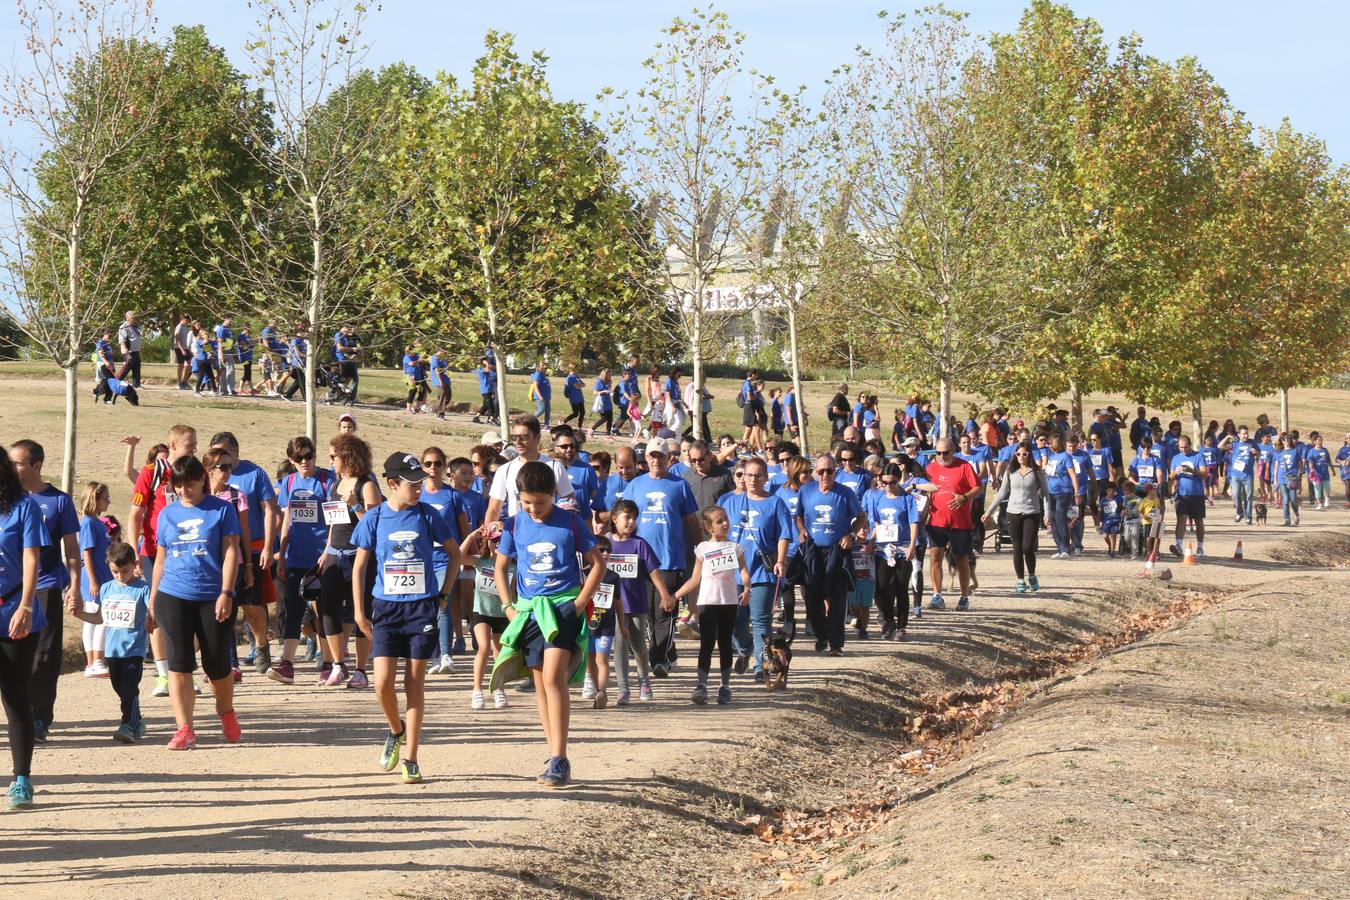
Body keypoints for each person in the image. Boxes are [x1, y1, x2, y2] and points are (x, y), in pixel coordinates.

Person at [491, 461, 604, 788]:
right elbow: (501, 568)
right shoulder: (513, 526)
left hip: (563, 609)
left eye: (540, 502)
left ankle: (560, 757)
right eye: (527, 502)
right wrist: (508, 607)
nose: (533, 509)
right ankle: (553, 752)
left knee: (554, 677)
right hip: (528, 613)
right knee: (541, 685)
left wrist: (579, 604)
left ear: (554, 494)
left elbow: (598, 564)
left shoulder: (570, 523)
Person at [352, 452, 460, 785]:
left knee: (414, 684)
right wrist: (358, 612)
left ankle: (411, 757)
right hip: (385, 608)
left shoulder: (428, 515)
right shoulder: (374, 518)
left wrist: (442, 595)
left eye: (421, 482)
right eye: (412, 483)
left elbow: (455, 554)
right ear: (392, 484)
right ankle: (395, 730)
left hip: (421, 608)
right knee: (383, 682)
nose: (419, 488)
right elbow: (359, 568)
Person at [152, 455, 243, 750]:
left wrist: (226, 593)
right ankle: (184, 728)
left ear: (202, 478)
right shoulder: (167, 514)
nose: (183, 491)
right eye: (177, 486)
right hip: (173, 594)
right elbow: (160, 558)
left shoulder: (222, 510)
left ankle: (225, 710)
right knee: (178, 663)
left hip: (212, 595)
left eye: (189, 484)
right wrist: (153, 599)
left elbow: (231, 552)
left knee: (217, 664)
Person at [8, 441, 78, 744]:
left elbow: (72, 550)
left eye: (18, 463)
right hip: (10, 589)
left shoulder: (58, 501)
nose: (11, 468)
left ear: (36, 466)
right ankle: (18, 713)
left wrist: (75, 584)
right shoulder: (6, 501)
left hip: (46, 584)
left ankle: (39, 717)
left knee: (45, 654)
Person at [625, 438, 700, 677]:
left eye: (661, 456)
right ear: (645, 459)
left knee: (664, 612)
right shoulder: (636, 485)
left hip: (669, 559)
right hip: (640, 560)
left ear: (670, 459)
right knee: (647, 613)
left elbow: (691, 521)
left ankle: (658, 660)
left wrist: (701, 547)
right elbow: (623, 515)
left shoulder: (679, 486)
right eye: (652, 456)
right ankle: (668, 652)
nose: (656, 460)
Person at [67, 540, 152, 743]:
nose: (120, 576)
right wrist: (80, 614)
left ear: (134, 565)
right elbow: (99, 618)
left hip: (134, 649)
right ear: (109, 567)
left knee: (129, 688)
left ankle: (127, 725)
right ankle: (137, 720)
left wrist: (152, 620)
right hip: (112, 650)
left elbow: (153, 613)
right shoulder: (106, 589)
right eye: (115, 572)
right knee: (119, 688)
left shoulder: (143, 589)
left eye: (125, 571)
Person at [316, 434, 383, 688]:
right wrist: (327, 548)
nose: (331, 461)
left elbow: (375, 523)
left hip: (361, 554)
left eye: (334, 456)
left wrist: (356, 505)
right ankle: (337, 664)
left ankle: (361, 670)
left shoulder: (367, 485)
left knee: (362, 611)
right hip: (336, 552)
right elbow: (334, 520)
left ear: (347, 456)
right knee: (328, 609)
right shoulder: (335, 484)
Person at [0, 448, 44, 809]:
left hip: (15, 612)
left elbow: (32, 557)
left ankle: (21, 779)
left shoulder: (24, 507)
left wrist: (27, 605)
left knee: (15, 698)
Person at [719, 457, 790, 676]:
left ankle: (761, 666)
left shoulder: (775, 503)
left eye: (758, 476)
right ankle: (746, 648)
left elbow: (784, 535)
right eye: (748, 475)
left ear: (766, 478)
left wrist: (780, 560)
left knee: (760, 620)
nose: (752, 480)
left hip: (761, 570)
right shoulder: (728, 501)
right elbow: (717, 532)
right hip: (732, 570)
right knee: (733, 620)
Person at [269, 436, 331, 685]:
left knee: (323, 611)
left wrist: (328, 551)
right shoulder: (289, 482)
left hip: (321, 557)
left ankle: (329, 662)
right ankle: (287, 664)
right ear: (291, 461)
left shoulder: (328, 480)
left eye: (309, 455)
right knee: (293, 609)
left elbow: (336, 521)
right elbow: (286, 520)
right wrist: (282, 553)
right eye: (299, 458)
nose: (305, 461)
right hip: (295, 555)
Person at [673, 506, 750, 705]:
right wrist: (675, 596)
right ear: (708, 527)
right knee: (706, 644)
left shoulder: (735, 547)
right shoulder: (703, 549)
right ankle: (701, 686)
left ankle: (725, 687)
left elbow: (743, 572)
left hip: (729, 602)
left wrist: (747, 588)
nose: (725, 523)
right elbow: (694, 579)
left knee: (725, 644)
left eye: (725, 519)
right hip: (707, 602)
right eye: (719, 521)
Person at [795, 453, 866, 655]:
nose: (825, 474)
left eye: (830, 471)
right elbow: (798, 515)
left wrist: (850, 534)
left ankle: (835, 644)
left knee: (837, 597)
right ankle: (821, 635)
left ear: (836, 472)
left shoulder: (845, 493)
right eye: (821, 471)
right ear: (815, 473)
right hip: (813, 549)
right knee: (812, 594)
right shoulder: (806, 490)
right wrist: (801, 530)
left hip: (837, 549)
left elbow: (860, 517)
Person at [419, 447, 469, 677]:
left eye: (438, 463)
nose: (433, 468)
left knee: (443, 602)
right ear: (422, 466)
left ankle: (446, 653)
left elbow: (464, 528)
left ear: (444, 467)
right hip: (421, 560)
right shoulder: (416, 493)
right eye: (428, 464)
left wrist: (470, 555)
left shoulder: (452, 495)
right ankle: (433, 654)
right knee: (426, 607)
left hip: (446, 559)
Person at [864, 462, 920, 639]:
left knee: (900, 587)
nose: (889, 486)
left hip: (902, 549)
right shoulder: (877, 498)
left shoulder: (907, 498)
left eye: (893, 482)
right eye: (885, 482)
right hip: (883, 549)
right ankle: (889, 620)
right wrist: (871, 541)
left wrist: (912, 546)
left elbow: (913, 523)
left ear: (899, 480)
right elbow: (876, 524)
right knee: (880, 588)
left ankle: (901, 626)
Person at [923, 438, 980, 610]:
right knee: (935, 560)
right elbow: (923, 487)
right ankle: (937, 596)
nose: (941, 456)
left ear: (953, 450)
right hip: (936, 521)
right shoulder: (931, 467)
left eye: (945, 453)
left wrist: (964, 497)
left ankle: (964, 597)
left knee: (962, 559)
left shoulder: (964, 466)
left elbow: (978, 487)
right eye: (938, 453)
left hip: (960, 523)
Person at [984, 442, 1048, 593]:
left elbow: (1045, 494)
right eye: (1018, 454)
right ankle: (1020, 579)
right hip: (1013, 513)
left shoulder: (1037, 472)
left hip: (1031, 512)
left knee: (1028, 547)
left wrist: (1048, 514)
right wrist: (989, 511)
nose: (1021, 457)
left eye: (1024, 454)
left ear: (1029, 455)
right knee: (1017, 548)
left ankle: (1031, 575)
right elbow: (1002, 493)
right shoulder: (1010, 471)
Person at [484, 416, 575, 523]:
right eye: (514, 437)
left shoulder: (555, 467)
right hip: (517, 533)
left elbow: (570, 506)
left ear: (537, 438)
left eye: (523, 437)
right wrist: (489, 536)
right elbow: (493, 511)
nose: (518, 442)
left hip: (549, 532)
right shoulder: (505, 470)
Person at [461, 523, 510, 710]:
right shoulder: (481, 562)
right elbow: (458, 557)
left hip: (502, 613)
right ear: (488, 541)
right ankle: (477, 690)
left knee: (499, 651)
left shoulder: (512, 565)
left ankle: (499, 689)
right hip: (481, 612)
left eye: (501, 540)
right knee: (483, 647)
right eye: (494, 540)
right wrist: (472, 535)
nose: (497, 544)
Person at [76, 482, 113, 678]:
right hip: (95, 579)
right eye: (105, 497)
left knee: (97, 620)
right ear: (95, 498)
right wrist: (92, 580)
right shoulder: (88, 523)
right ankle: (96, 660)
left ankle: (94, 661)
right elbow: (86, 554)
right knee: (99, 619)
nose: (108, 501)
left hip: (103, 577)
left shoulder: (98, 523)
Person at [1167, 435, 1208, 557]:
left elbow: (1204, 473)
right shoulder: (1176, 458)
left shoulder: (1198, 456)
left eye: (1185, 447)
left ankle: (1200, 547)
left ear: (1190, 445)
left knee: (1198, 521)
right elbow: (1170, 476)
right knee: (1181, 519)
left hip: (1197, 493)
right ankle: (1178, 545)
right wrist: (1176, 472)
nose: (1183, 450)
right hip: (1182, 494)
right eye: (1181, 447)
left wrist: (1192, 470)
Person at [334, 324, 361, 402]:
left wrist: (355, 353)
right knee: (342, 380)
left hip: (349, 360)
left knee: (354, 377)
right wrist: (353, 349)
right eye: (349, 328)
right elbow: (340, 348)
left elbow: (350, 348)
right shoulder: (338, 334)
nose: (350, 330)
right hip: (341, 360)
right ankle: (334, 394)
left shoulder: (349, 337)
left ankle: (351, 397)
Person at [116, 311, 143, 387]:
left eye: (134, 317)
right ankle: (117, 382)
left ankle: (136, 385)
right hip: (128, 351)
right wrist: (125, 349)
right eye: (132, 318)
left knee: (137, 367)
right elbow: (122, 340)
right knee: (126, 368)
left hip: (136, 351)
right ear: (127, 318)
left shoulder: (136, 326)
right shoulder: (123, 327)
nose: (134, 319)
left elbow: (138, 338)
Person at [215, 316, 238, 397]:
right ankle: (230, 389)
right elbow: (220, 342)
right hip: (224, 352)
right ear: (225, 319)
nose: (231, 321)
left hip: (229, 352)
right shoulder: (222, 329)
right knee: (230, 370)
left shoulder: (229, 329)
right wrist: (222, 355)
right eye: (230, 320)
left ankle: (223, 390)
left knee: (225, 371)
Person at [474, 357, 499, 425]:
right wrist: (486, 363)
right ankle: (491, 419)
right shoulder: (480, 370)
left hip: (489, 390)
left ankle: (476, 418)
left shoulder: (488, 370)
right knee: (491, 406)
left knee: (485, 406)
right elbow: (487, 369)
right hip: (485, 390)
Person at [429, 350, 452, 419]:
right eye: (445, 353)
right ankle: (440, 414)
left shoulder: (441, 359)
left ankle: (435, 410)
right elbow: (436, 370)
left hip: (446, 381)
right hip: (439, 382)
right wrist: (440, 381)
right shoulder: (435, 358)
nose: (446, 354)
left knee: (448, 398)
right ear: (440, 351)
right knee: (443, 398)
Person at [173, 313, 193, 390]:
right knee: (181, 365)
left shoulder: (185, 327)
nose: (188, 322)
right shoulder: (179, 327)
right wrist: (182, 350)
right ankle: (179, 383)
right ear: (183, 320)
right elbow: (177, 341)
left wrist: (187, 349)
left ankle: (185, 382)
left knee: (189, 364)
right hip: (179, 348)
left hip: (186, 348)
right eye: (187, 320)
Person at [592, 369, 615, 436]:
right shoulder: (599, 381)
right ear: (605, 375)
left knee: (610, 418)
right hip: (602, 402)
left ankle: (608, 434)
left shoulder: (609, 382)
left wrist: (611, 391)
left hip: (608, 401)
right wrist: (604, 391)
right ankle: (592, 429)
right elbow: (595, 393)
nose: (610, 376)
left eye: (611, 374)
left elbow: (609, 389)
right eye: (609, 374)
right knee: (605, 418)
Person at [531, 362, 552, 427]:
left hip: (546, 396)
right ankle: (530, 421)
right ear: (539, 367)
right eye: (543, 365)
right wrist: (540, 395)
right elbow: (535, 386)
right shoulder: (538, 374)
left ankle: (546, 425)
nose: (545, 367)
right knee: (541, 410)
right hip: (540, 396)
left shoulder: (543, 374)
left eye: (545, 365)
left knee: (548, 410)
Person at [236, 325, 255, 394]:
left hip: (249, 357)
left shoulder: (248, 337)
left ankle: (252, 389)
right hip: (244, 358)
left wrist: (253, 343)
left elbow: (250, 346)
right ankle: (240, 389)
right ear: (245, 328)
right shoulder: (241, 336)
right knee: (247, 372)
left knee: (248, 372)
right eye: (249, 329)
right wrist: (251, 344)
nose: (250, 330)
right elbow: (244, 347)